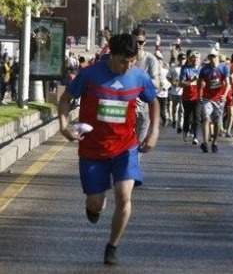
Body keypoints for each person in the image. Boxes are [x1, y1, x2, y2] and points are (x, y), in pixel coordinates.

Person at [57, 33, 159, 265]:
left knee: (124, 197)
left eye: (132, 61)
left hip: (125, 148)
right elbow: (65, 99)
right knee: (96, 202)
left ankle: (112, 246)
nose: (128, 66)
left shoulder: (138, 77)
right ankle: (94, 206)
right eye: (124, 61)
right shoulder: (90, 75)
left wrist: (154, 132)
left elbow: (153, 101)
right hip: (93, 151)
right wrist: (64, 126)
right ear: (111, 55)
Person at [132, 28, 160, 142]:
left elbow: (156, 84)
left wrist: (138, 86)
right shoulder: (125, 58)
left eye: (141, 42)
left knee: (138, 145)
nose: (138, 45)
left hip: (144, 107)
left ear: (145, 42)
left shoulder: (151, 60)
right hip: (127, 106)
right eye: (135, 42)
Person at [198, 49, 229, 153]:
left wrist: (224, 95)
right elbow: (199, 82)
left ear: (218, 57)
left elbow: (228, 84)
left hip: (219, 98)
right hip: (207, 98)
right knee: (206, 118)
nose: (213, 58)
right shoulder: (204, 69)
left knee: (217, 122)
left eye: (215, 56)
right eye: (211, 56)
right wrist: (199, 94)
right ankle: (205, 142)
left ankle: (215, 142)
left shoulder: (223, 68)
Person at [180, 51, 201, 144]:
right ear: (190, 59)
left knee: (196, 117)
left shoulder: (202, 70)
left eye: (197, 58)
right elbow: (181, 83)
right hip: (187, 96)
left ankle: (195, 137)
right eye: (194, 58)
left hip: (198, 97)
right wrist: (191, 81)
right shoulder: (185, 69)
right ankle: (185, 131)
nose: (195, 60)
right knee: (187, 116)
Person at [168, 53, 186, 133]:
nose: (182, 60)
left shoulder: (186, 68)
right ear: (178, 59)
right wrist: (172, 82)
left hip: (183, 92)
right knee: (175, 108)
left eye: (184, 59)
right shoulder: (174, 68)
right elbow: (168, 76)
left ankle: (180, 125)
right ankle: (174, 120)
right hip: (175, 92)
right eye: (181, 59)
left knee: (182, 109)